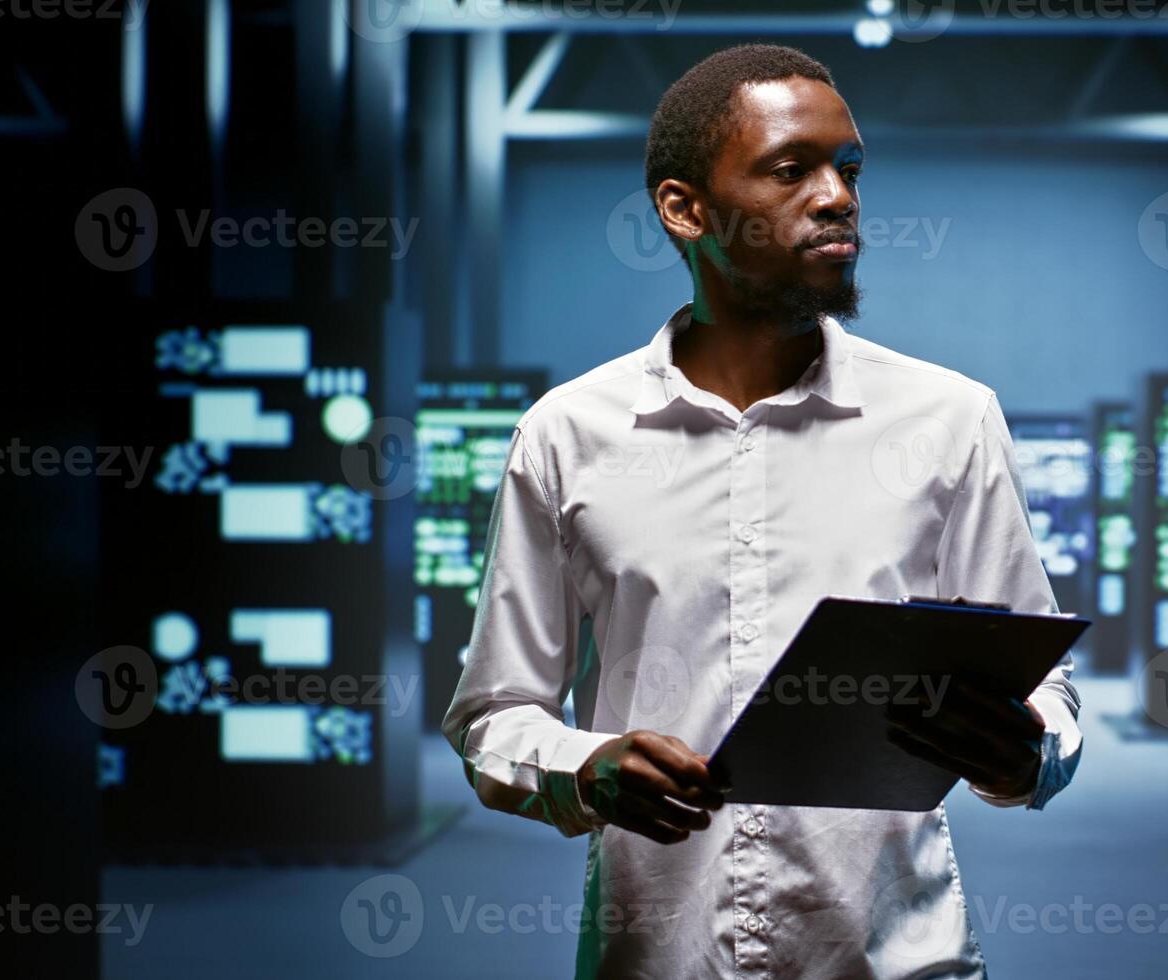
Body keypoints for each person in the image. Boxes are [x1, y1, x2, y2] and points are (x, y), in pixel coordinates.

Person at [443, 43, 1082, 979]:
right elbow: (494, 711)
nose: (837, 198)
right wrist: (583, 767)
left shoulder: (949, 420)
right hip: (657, 959)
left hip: (894, 962)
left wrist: (1030, 753)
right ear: (684, 209)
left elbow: (1045, 688)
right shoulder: (567, 434)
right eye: (792, 170)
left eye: (849, 170)